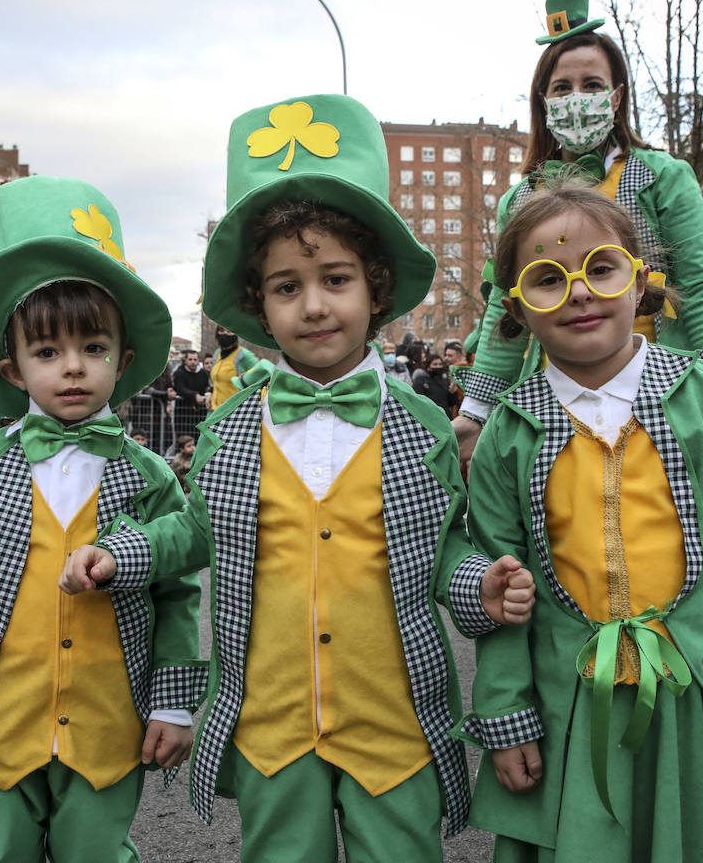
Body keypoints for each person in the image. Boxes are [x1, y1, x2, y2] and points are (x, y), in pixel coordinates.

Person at [61, 93, 534, 861]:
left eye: (336, 279)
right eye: (286, 287)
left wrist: (476, 582)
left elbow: (444, 545)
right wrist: (122, 552)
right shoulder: (231, 428)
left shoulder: (422, 425)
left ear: (376, 288)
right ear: (258, 304)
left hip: (392, 726)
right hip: (271, 729)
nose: (313, 306)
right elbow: (194, 529)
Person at [460, 182, 703, 863]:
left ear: (640, 282)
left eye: (600, 268)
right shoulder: (508, 434)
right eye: (548, 279)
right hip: (570, 710)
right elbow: (504, 594)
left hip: (702, 698)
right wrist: (506, 711)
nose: (579, 292)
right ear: (517, 308)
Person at [0, 176, 204, 861]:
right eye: (48, 352)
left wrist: (172, 704)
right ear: (14, 369)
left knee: (98, 853)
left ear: (124, 360)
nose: (73, 368)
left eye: (94, 348)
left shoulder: (151, 476)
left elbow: (176, 591)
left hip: (109, 724)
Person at [452, 0, 703, 468]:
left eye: (592, 85)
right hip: (553, 396)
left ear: (617, 97)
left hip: (657, 391)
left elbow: (699, 286)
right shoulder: (519, 200)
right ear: (544, 101)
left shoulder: (664, 178)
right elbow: (504, 315)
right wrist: (477, 411)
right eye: (562, 88)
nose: (577, 98)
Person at [208, 326, 260, 410]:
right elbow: (213, 379)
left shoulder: (245, 355)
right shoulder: (217, 353)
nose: (225, 333)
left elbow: (260, 376)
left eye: (229, 331)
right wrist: (209, 394)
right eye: (221, 330)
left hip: (234, 410)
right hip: (214, 410)